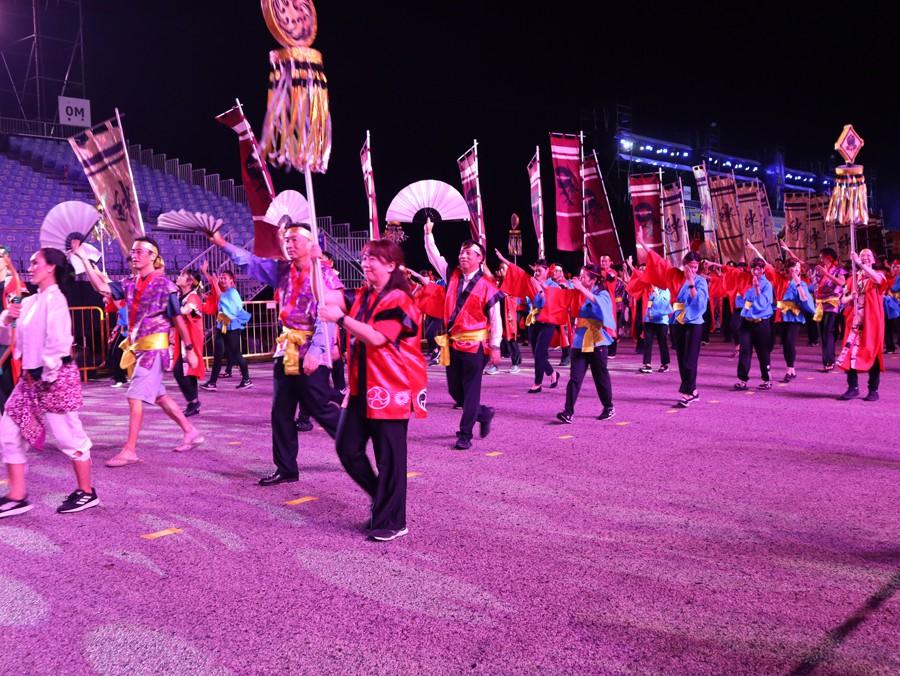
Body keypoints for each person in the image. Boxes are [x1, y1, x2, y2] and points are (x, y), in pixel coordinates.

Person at [210, 222, 345, 485]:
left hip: (311, 347)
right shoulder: (283, 270)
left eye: (295, 240)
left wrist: (316, 350)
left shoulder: (324, 275)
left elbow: (327, 315)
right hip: (288, 348)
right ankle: (286, 468)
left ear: (310, 243)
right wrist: (222, 244)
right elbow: (251, 262)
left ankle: (355, 438)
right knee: (281, 411)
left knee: (318, 406)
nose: (289, 244)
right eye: (287, 240)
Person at [318, 240, 427, 541]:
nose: (366, 263)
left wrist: (341, 319)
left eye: (373, 259)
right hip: (361, 387)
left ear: (391, 265)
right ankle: (384, 501)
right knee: (347, 447)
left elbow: (378, 337)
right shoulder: (363, 295)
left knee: (389, 459)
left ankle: (393, 520)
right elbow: (324, 294)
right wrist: (311, 263)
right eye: (364, 258)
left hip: (391, 387)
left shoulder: (399, 299)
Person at [74, 237, 204, 467]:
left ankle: (130, 450)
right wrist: (84, 259)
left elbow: (177, 318)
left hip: (154, 350)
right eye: (133, 251)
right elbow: (102, 287)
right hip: (140, 349)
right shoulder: (130, 283)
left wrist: (190, 349)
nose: (134, 255)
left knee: (134, 396)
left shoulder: (164, 285)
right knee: (159, 396)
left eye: (140, 251)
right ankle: (190, 431)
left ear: (153, 256)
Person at [0, 247, 98, 517]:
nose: (30, 267)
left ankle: (86, 491)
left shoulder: (56, 300)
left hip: (54, 378)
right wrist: (8, 316)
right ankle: (17, 496)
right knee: (8, 432)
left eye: (36, 263)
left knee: (69, 437)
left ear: (51, 267)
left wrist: (48, 375)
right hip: (31, 380)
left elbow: (58, 343)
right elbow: (9, 338)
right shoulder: (31, 301)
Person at [424, 218, 501, 450]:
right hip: (452, 344)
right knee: (455, 391)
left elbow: (495, 318)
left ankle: (465, 434)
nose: (463, 256)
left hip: (475, 346)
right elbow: (434, 256)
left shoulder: (488, 286)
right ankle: (483, 413)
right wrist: (428, 234)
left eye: (468, 253)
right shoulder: (452, 275)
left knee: (471, 391)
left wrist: (495, 346)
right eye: (461, 252)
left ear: (480, 258)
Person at [636, 228, 708, 407]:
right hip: (678, 321)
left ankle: (687, 393)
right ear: (684, 265)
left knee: (690, 358)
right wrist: (642, 242)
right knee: (682, 359)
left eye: (695, 267)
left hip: (694, 322)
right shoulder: (675, 275)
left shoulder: (700, 281)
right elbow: (657, 261)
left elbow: (700, 303)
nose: (693, 269)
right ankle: (693, 391)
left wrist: (691, 283)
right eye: (690, 266)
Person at [555, 264, 616, 424]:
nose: (580, 279)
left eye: (584, 277)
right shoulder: (579, 292)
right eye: (580, 276)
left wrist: (581, 288)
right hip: (580, 341)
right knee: (574, 378)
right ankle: (568, 412)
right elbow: (562, 296)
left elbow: (599, 303)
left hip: (597, 341)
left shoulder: (602, 294)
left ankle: (608, 407)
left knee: (600, 377)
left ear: (593, 280)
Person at [837, 249, 887, 401]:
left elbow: (877, 279)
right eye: (862, 255)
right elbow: (842, 299)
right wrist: (850, 298)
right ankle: (853, 388)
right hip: (854, 322)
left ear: (873, 260)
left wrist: (860, 263)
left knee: (872, 352)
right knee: (849, 352)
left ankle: (873, 390)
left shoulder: (878, 275)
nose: (865, 257)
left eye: (868, 255)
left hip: (872, 322)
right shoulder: (852, 278)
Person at [202, 270, 252, 390]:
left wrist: (215, 283)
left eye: (225, 278)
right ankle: (212, 382)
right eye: (221, 278)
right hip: (223, 324)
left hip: (232, 326)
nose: (222, 280)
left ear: (231, 280)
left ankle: (246, 379)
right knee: (218, 354)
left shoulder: (233, 292)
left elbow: (222, 299)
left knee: (236, 353)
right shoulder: (226, 292)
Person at [173, 268, 206, 417]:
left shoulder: (193, 297)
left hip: (191, 339)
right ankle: (193, 403)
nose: (178, 277)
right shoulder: (181, 295)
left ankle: (193, 402)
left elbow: (185, 310)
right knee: (187, 372)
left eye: (182, 275)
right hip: (184, 337)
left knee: (180, 371)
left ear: (189, 282)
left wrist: (171, 308)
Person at [812, 247, 847, 371]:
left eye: (823, 257)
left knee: (828, 331)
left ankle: (830, 361)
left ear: (829, 258)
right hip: (820, 304)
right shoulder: (818, 270)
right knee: (822, 333)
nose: (821, 260)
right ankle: (826, 360)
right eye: (820, 257)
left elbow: (841, 283)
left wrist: (827, 274)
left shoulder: (838, 270)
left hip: (832, 304)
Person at [882, 260, 900, 353]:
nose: (895, 269)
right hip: (887, 304)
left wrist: (892, 294)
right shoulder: (887, 278)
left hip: (897, 305)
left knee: (898, 326)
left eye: (897, 267)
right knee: (887, 326)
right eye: (893, 267)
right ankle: (889, 347)